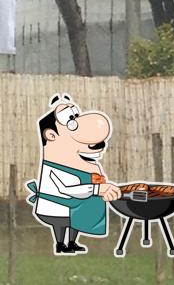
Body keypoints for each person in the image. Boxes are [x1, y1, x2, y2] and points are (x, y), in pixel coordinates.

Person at [27, 95, 122, 255]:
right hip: (56, 206)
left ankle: (72, 243)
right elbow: (67, 189)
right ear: (51, 135)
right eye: (71, 123)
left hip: (76, 207)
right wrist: (96, 190)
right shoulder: (54, 168)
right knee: (63, 221)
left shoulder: (84, 165)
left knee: (77, 220)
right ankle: (60, 244)